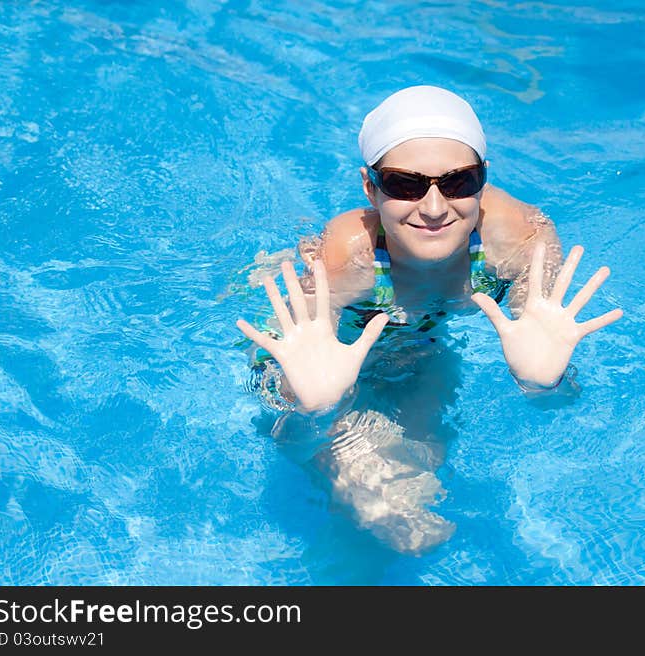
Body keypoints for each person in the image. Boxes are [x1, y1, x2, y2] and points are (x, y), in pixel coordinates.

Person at [236, 85, 623, 553]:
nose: (436, 208)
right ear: (370, 188)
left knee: (414, 506)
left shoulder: (520, 242)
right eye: (404, 184)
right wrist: (304, 400)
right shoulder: (348, 256)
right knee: (385, 508)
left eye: (459, 181)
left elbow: (561, 408)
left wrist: (546, 384)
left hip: (423, 344)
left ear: (483, 178)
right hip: (350, 336)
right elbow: (273, 368)